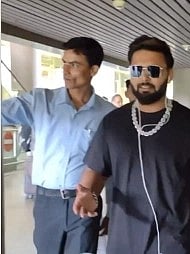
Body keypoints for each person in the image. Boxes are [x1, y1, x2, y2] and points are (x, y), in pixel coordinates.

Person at [73, 35, 190, 254]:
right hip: (123, 243)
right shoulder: (113, 124)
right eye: (137, 70)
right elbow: (93, 180)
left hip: (176, 242)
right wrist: (89, 198)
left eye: (154, 70)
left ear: (169, 74)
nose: (144, 78)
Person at [1, 37, 114, 254]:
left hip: (84, 202)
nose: (65, 70)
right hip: (46, 202)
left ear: (93, 70)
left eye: (74, 64)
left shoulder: (107, 114)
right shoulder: (41, 101)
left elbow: (111, 165)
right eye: (64, 62)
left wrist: (110, 211)